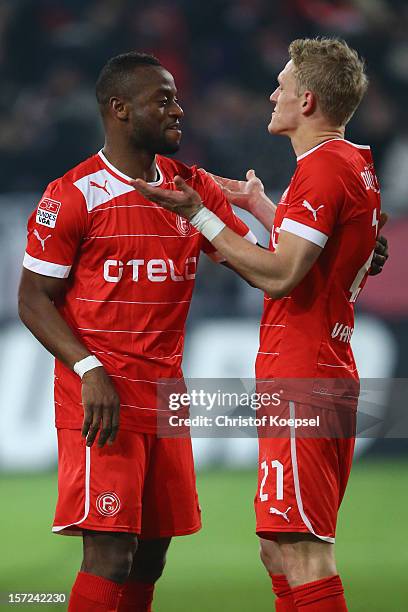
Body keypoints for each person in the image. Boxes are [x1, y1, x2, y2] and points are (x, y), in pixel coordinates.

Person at [132, 37, 386, 611]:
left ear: (308, 101)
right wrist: (258, 205)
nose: (273, 94)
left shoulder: (323, 171)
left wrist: (198, 214)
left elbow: (280, 275)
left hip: (305, 376)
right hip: (314, 368)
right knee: (280, 548)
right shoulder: (348, 165)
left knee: (302, 552)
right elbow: (324, 253)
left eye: (283, 85)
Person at [18, 52, 256, 612]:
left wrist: (346, 252)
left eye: (176, 97)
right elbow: (32, 298)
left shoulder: (190, 190)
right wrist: (88, 367)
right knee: (110, 555)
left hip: (166, 397)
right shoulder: (74, 194)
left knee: (151, 557)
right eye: (164, 99)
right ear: (120, 109)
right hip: (103, 401)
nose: (179, 109)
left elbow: (263, 265)